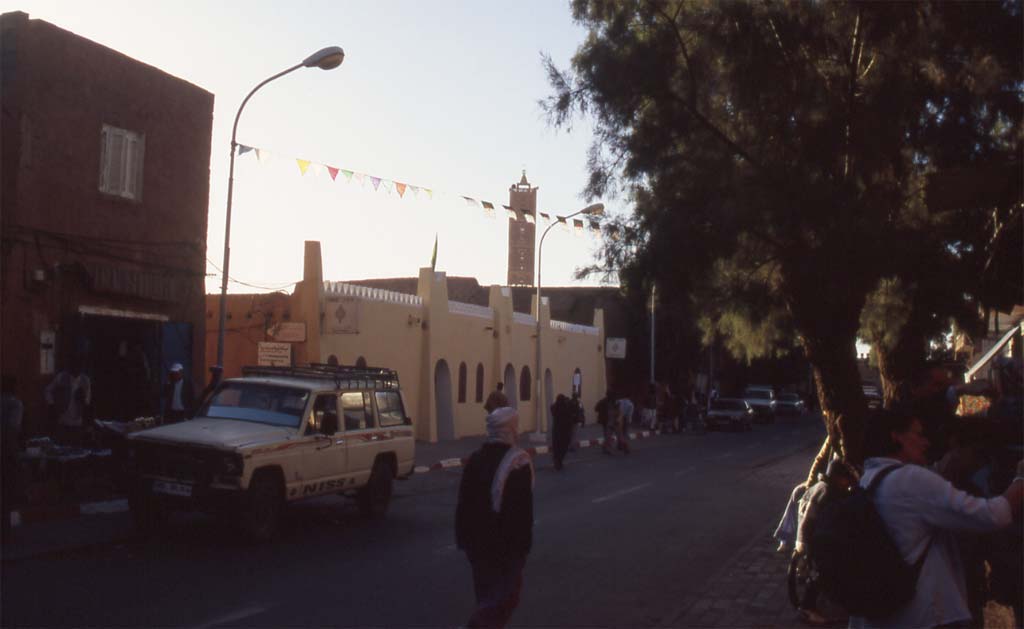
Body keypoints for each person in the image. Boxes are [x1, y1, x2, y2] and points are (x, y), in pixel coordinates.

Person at [847, 408, 1023, 629]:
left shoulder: (868, 481)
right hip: (926, 615)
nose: (926, 443)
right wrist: (1020, 479)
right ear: (896, 436)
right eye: (918, 434)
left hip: (883, 616)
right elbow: (992, 515)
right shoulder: (911, 479)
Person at [455, 407, 534, 628]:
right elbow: (521, 511)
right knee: (504, 598)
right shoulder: (517, 463)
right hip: (504, 545)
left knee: (486, 593)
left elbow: (464, 502)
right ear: (511, 429)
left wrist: (463, 537)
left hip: (475, 542)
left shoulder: (476, 459)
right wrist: (522, 546)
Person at [44, 359, 92, 444]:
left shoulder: (86, 380)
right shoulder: (61, 377)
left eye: (79, 366)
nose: (77, 369)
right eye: (75, 366)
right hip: (62, 420)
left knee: (76, 448)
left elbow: (87, 402)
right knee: (61, 447)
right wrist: (51, 404)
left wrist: (87, 424)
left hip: (78, 421)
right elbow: (48, 390)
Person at [2, 375, 24, 541]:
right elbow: (11, 431)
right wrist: (15, 455)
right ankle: (4, 532)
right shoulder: (15, 404)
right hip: (5, 452)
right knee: (7, 491)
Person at [550, 394, 576, 471]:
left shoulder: (555, 407)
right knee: (563, 447)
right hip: (565, 431)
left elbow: (552, 407)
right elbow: (572, 412)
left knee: (556, 447)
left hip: (556, 431)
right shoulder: (566, 407)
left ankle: (557, 462)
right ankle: (559, 461)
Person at [595, 390, 617, 455]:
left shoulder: (605, 401)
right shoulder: (609, 402)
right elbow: (596, 408)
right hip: (608, 420)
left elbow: (596, 408)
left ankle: (605, 447)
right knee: (608, 435)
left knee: (607, 435)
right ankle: (608, 449)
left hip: (608, 420)